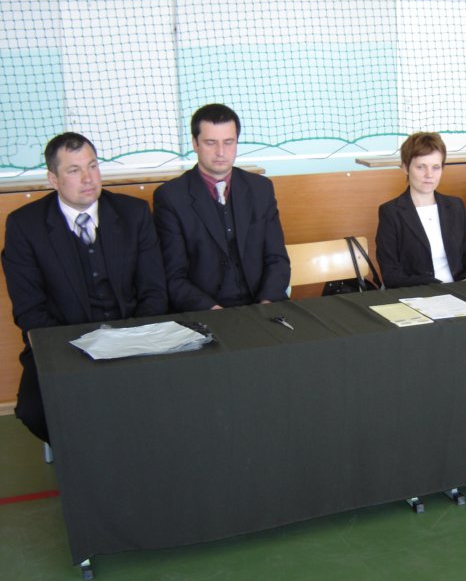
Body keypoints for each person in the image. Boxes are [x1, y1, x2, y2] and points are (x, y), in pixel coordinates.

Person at [2, 132, 167, 443]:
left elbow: (154, 292)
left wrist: (130, 340)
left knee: (173, 394)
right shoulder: (25, 226)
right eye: (74, 170)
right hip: (62, 344)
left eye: (92, 166)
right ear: (53, 179)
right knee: (34, 411)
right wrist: (80, 348)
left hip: (132, 338)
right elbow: (29, 311)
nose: (89, 178)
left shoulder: (133, 213)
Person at [153, 104, 290, 311]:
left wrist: (266, 305)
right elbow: (173, 276)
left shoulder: (261, 189)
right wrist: (215, 312)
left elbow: (277, 259)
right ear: (195, 144)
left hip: (262, 307)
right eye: (210, 143)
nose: (220, 152)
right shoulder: (171, 197)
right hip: (204, 312)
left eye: (228, 142)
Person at [376, 132, 466, 288]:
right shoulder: (391, 212)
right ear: (405, 168)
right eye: (421, 167)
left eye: (436, 167)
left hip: (460, 289)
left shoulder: (455, 206)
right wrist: (436, 287)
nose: (429, 175)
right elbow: (391, 275)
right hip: (418, 294)